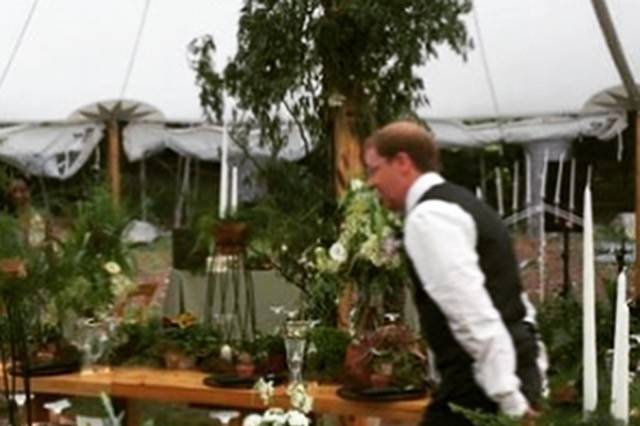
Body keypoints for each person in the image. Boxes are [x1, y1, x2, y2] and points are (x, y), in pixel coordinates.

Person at [364, 121, 543, 425]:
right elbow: (518, 307)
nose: (371, 182)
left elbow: (472, 313)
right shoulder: (465, 204)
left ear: (402, 162)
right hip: (504, 374)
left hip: (481, 388)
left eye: (374, 170)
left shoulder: (429, 217)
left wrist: (510, 401)